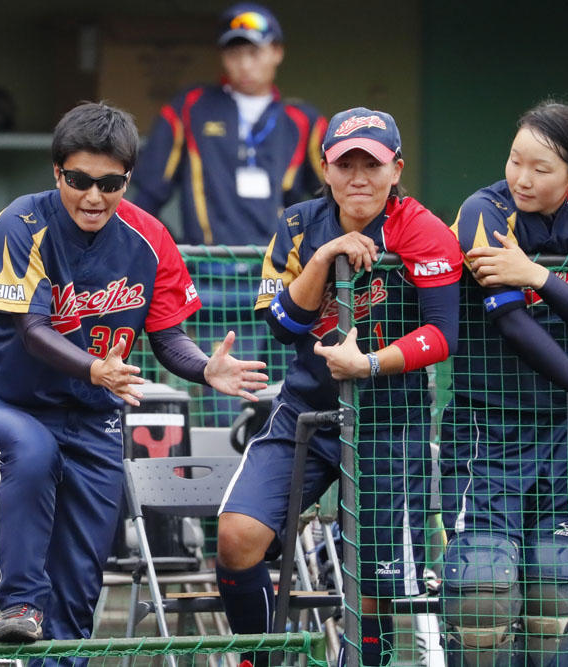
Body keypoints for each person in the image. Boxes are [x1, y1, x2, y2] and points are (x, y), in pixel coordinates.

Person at [0, 101, 268, 660]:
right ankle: (21, 603)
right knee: (33, 455)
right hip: (10, 408)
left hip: (94, 421)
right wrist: (94, 367)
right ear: (57, 173)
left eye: (110, 183)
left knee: (79, 589)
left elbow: (167, 338)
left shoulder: (149, 238)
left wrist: (205, 367)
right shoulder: (22, 222)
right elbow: (30, 328)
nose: (93, 196)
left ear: (128, 179)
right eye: (79, 180)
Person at [215, 107, 462, 666]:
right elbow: (281, 326)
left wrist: (370, 363)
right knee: (236, 538)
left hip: (390, 420)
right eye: (344, 163)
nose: (358, 177)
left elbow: (443, 334)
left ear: (395, 169)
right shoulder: (300, 224)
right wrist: (326, 256)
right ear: (325, 169)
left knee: (372, 577)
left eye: (371, 164)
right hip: (306, 413)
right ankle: (260, 659)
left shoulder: (421, 229)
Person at [440, 101, 568, 666]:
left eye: (542, 168)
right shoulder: (484, 210)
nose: (522, 179)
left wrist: (537, 275)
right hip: (491, 426)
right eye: (514, 161)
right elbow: (510, 319)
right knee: (481, 587)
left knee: (558, 584)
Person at [130, 3, 327, 423]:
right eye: (235, 51)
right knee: (226, 411)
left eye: (255, 50)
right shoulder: (190, 108)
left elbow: (330, 197)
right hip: (211, 281)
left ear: (277, 52)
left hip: (280, 280)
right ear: (223, 57)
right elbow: (145, 192)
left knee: (284, 402)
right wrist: (168, 249)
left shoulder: (303, 120)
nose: (245, 61)